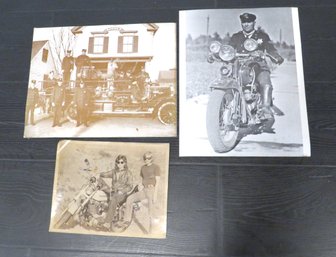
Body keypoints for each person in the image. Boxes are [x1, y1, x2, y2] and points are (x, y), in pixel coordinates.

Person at [229, 13, 284, 119]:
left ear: (254, 22)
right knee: (230, 81)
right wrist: (218, 53)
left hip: (258, 66)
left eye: (248, 22)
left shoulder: (262, 36)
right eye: (243, 22)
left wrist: (276, 56)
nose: (246, 24)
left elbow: (270, 49)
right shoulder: (236, 36)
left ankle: (265, 108)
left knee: (265, 84)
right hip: (239, 66)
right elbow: (229, 48)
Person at [123, 151, 161, 232]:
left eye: (148, 158)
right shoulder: (143, 168)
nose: (146, 160)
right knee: (129, 198)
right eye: (145, 158)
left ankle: (152, 230)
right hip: (144, 190)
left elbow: (157, 182)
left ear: (151, 159)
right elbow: (142, 179)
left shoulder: (156, 167)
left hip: (152, 190)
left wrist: (155, 195)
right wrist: (140, 185)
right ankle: (126, 220)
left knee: (151, 211)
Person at [99, 155, 133, 231]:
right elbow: (105, 174)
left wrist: (122, 191)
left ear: (125, 163)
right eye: (118, 162)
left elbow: (130, 186)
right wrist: (98, 174)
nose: (119, 164)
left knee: (113, 199)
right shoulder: (114, 171)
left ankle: (107, 223)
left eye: (121, 162)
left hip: (122, 194)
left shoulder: (128, 173)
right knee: (101, 190)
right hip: (113, 191)